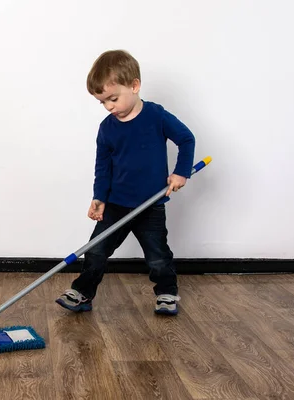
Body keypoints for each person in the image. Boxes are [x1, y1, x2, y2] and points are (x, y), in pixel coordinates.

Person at [56, 50, 195, 315]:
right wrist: (99, 198)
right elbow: (103, 167)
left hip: (150, 205)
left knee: (157, 256)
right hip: (116, 204)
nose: (109, 106)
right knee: (95, 251)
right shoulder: (107, 128)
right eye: (103, 102)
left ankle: (167, 293)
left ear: (134, 85)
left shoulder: (156, 116)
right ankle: (83, 293)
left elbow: (186, 139)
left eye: (113, 98)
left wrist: (181, 172)